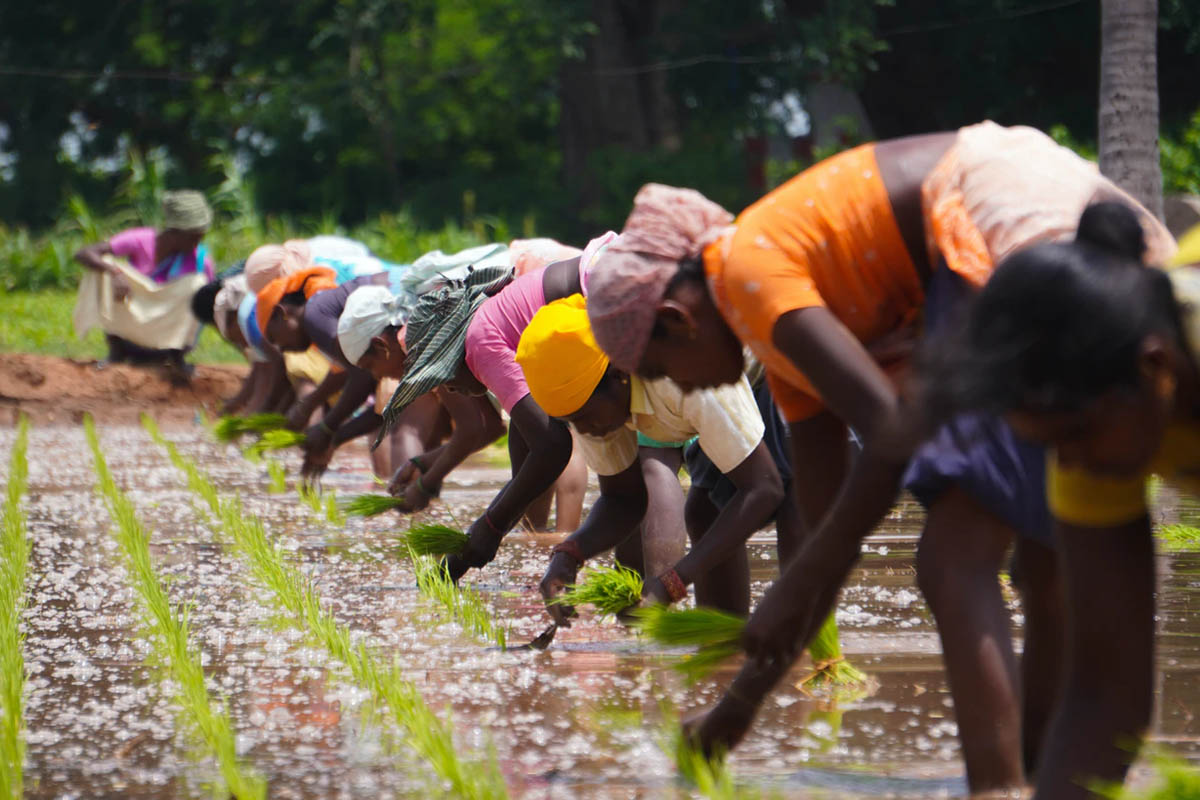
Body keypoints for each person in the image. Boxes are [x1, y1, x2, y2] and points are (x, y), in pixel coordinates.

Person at [581, 122, 1174, 793]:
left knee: (955, 554)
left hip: (997, 215)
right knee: (1037, 555)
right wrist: (737, 707)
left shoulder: (748, 274)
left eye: (662, 369)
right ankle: (1037, 773)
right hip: (1020, 203)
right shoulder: (779, 337)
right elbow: (827, 526)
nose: (681, 389)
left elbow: (890, 435)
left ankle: (999, 785)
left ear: (676, 318)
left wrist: (796, 588)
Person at [914, 202, 1192, 800]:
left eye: (1073, 438)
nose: (1067, 466)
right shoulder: (1090, 433)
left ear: (1156, 367)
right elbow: (1105, 696)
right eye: (1047, 446)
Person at [516, 294, 783, 617]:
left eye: (585, 417)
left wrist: (674, 581)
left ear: (619, 376)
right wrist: (568, 554)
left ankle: (796, 638)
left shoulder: (684, 371)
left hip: (777, 359)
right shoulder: (594, 397)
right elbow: (622, 500)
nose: (584, 430)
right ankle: (725, 638)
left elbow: (764, 488)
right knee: (705, 510)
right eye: (572, 421)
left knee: (794, 515)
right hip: (723, 385)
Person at [381, 235, 629, 579]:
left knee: (635, 477)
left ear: (451, 353)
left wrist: (490, 526)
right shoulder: (491, 327)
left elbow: (553, 445)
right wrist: (487, 537)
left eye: (443, 377)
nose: (449, 389)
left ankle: (642, 593)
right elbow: (527, 450)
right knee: (629, 481)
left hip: (613, 290)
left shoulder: (480, 343)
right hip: (610, 279)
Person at [73, 189, 215, 380]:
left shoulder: (200, 262)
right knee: (104, 263)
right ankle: (116, 353)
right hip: (128, 336)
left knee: (199, 285)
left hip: (165, 343)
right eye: (193, 236)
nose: (198, 242)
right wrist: (114, 273)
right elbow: (84, 253)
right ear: (175, 231)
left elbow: (208, 306)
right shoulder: (141, 240)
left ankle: (176, 358)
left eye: (200, 236)